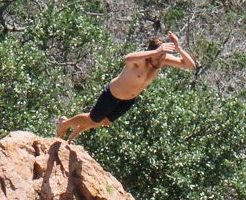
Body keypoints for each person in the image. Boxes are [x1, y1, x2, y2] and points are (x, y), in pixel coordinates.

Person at [56, 32, 197, 140]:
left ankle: (78, 128)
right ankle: (65, 123)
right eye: (158, 56)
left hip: (129, 100)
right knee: (93, 119)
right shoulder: (139, 61)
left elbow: (190, 65)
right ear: (151, 53)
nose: (161, 61)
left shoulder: (163, 59)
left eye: (163, 56)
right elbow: (127, 57)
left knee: (103, 122)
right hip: (112, 95)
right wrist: (155, 52)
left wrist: (179, 48)